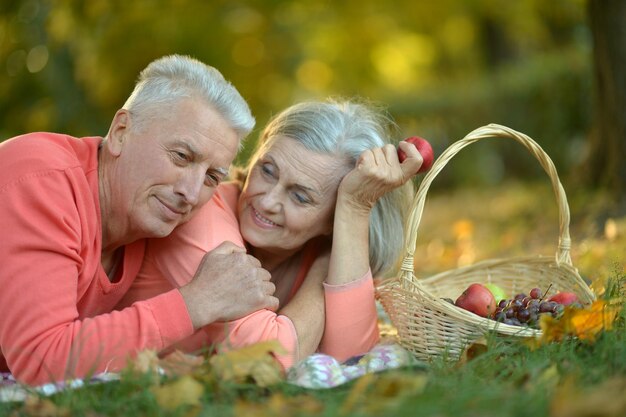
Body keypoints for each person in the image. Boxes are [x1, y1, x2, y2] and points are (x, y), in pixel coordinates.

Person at [0, 55, 279, 385]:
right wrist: (196, 302)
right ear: (120, 131)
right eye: (181, 156)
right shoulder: (40, 179)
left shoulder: (142, 218)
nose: (190, 193)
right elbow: (43, 360)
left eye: (211, 177)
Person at [117, 99, 423, 369]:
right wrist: (326, 269)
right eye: (267, 171)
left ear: (335, 218)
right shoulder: (202, 213)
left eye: (300, 197)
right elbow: (265, 358)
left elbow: (353, 357)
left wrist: (355, 211)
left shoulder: (334, 242)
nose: (266, 201)